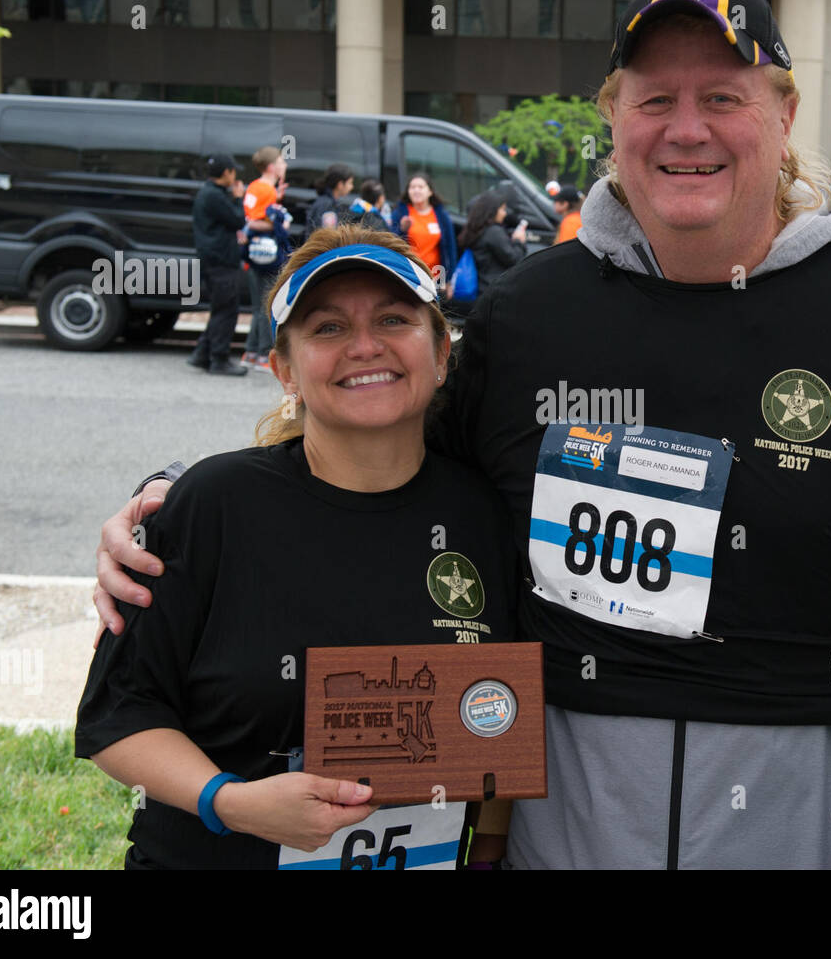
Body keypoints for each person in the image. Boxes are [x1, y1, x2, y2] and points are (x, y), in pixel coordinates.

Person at [93, 0, 831, 869]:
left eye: (722, 97)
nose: (686, 130)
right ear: (615, 119)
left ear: (784, 114)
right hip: (568, 813)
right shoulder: (529, 314)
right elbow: (380, 457)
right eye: (654, 99)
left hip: (810, 808)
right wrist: (176, 507)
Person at [77, 227, 518, 868]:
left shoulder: (483, 514)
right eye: (328, 328)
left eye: (393, 319)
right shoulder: (213, 503)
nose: (365, 346)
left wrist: (489, 851)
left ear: (442, 350)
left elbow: (504, 711)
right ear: (284, 369)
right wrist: (230, 802)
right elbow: (117, 714)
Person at [187, 153, 249, 377]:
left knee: (220, 308)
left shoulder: (210, 193)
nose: (235, 176)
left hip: (213, 260)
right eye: (233, 171)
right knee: (227, 310)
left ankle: (202, 353)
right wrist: (238, 198)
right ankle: (219, 359)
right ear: (226, 173)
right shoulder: (214, 196)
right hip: (221, 261)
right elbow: (237, 220)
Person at [241, 146, 289, 370]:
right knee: (266, 303)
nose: (284, 165)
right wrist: (279, 222)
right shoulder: (267, 191)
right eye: (281, 161)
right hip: (268, 253)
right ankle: (263, 354)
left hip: (253, 253)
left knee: (257, 303)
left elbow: (249, 215)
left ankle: (250, 351)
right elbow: (257, 220)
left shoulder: (253, 186)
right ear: (272, 167)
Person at [457, 190, 527, 304]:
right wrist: (519, 241)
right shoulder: (494, 232)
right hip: (495, 292)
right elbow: (514, 260)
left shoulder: (475, 228)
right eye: (502, 209)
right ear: (492, 210)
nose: (505, 213)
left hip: (480, 290)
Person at [391, 173, 457, 284]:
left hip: (435, 276)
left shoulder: (441, 215)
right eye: (412, 187)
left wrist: (448, 280)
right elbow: (390, 244)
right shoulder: (400, 213)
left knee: (436, 301)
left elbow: (450, 249)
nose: (416, 190)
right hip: (408, 276)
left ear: (430, 192)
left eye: (421, 187)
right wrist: (401, 229)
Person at [306, 164, 355, 238]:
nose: (352, 187)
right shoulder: (327, 205)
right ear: (340, 184)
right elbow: (326, 236)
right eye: (350, 183)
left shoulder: (328, 202)